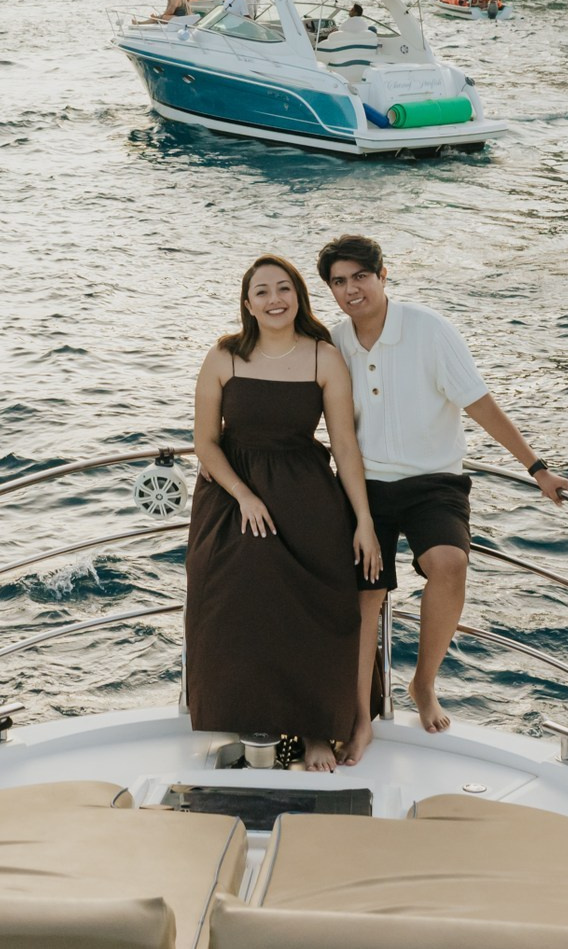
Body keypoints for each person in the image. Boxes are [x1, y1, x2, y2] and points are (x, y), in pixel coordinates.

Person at [316, 235, 566, 754]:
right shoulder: (335, 342)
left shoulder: (430, 331)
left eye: (360, 277)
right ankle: (359, 718)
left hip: (434, 482)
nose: (350, 289)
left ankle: (423, 683)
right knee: (366, 595)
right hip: (365, 487)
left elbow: (479, 403)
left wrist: (536, 466)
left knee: (449, 563)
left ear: (384, 275)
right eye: (339, 282)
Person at [184, 255, 381, 773]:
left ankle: (320, 730)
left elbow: (343, 444)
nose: (275, 300)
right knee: (234, 592)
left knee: (322, 601)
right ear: (247, 304)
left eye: (284, 289)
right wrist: (242, 495)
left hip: (306, 495)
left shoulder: (323, 357)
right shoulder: (224, 355)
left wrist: (363, 521)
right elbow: (204, 442)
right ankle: (250, 716)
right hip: (234, 498)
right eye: (262, 292)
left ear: (298, 295)